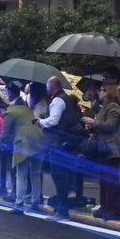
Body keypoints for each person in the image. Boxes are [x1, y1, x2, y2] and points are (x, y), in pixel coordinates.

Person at [36, 77, 83, 217]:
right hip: (64, 142)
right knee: (61, 175)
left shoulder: (57, 100)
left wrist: (41, 122)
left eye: (47, 87)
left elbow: (54, 120)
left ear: (51, 87)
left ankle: (62, 209)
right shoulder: (65, 99)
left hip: (57, 143)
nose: (47, 90)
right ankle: (60, 207)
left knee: (58, 176)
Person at [85, 84, 120, 219]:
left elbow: (110, 125)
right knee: (104, 180)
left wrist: (93, 122)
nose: (99, 92)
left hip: (111, 148)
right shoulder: (104, 108)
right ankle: (105, 207)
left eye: (101, 90)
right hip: (104, 149)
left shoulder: (113, 107)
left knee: (111, 181)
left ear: (108, 93)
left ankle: (112, 210)